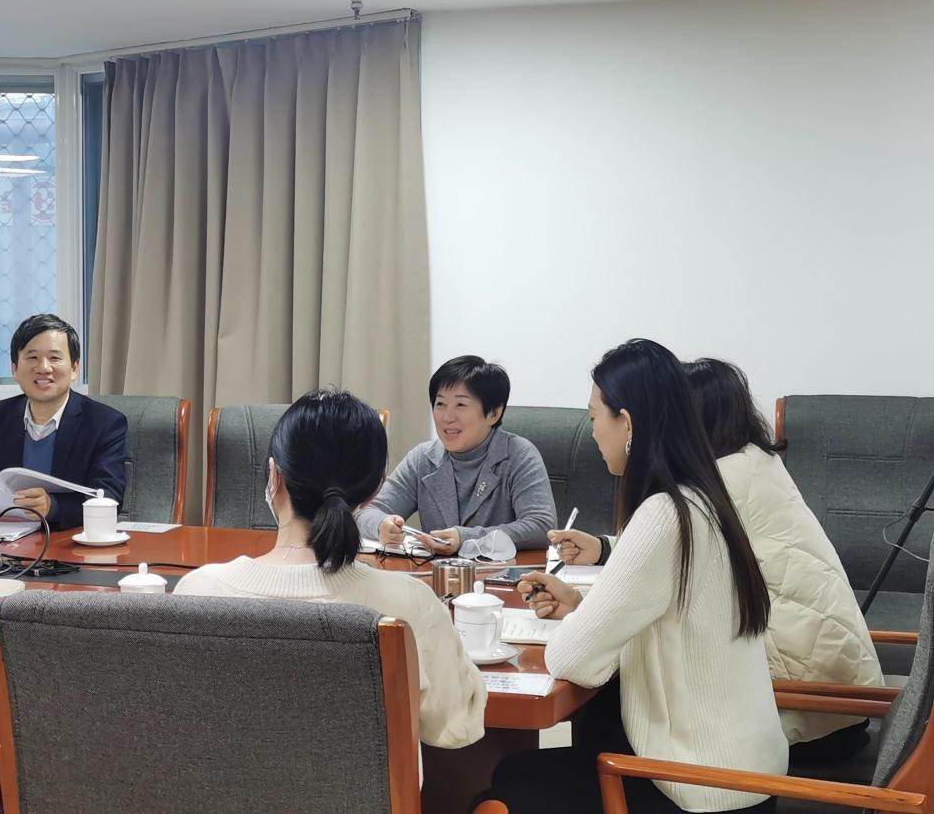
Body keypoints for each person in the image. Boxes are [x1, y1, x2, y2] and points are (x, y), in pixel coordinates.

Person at [477, 339, 786, 814]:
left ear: (627, 422)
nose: (593, 432)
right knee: (526, 770)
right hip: (743, 777)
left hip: (699, 788)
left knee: (504, 790)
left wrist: (580, 622)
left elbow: (573, 659)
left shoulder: (664, 515)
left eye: (594, 417)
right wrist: (582, 609)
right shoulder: (704, 499)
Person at [174, 389, 487, 749]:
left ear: (274, 477)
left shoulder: (196, 592)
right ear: (373, 492)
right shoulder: (410, 604)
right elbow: (456, 726)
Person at [681, 357, 885, 760]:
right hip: (844, 699)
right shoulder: (757, 462)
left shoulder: (722, 481)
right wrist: (605, 547)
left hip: (802, 717)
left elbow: (666, 561)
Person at [354, 355, 556, 555]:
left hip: (504, 573)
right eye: (440, 404)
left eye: (461, 405)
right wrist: (382, 525)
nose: (447, 417)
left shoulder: (518, 455)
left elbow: (541, 526)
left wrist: (466, 538)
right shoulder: (423, 458)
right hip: (434, 572)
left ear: (494, 413)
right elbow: (365, 513)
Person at [0, 313, 128, 531]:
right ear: (15, 369)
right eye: (32, 357)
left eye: (54, 358)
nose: (43, 368)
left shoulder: (104, 423)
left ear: (74, 368)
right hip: (3, 542)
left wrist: (53, 506)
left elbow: (109, 497)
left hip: (67, 542)